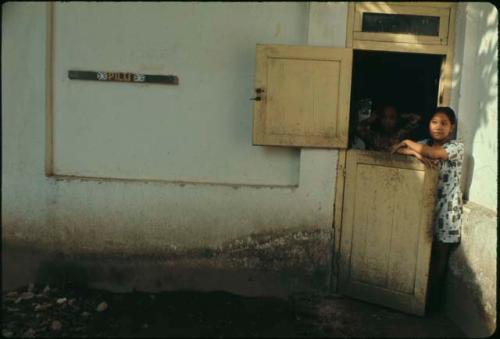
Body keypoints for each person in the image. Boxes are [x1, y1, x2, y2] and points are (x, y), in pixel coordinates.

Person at [390, 107, 464, 312]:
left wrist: (407, 142)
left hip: (447, 210)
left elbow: (432, 154)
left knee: (439, 257)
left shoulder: (456, 147)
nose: (438, 127)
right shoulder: (422, 144)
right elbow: (393, 150)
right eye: (434, 122)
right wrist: (414, 151)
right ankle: (415, 300)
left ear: (452, 127)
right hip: (424, 206)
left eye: (444, 123)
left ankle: (430, 305)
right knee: (421, 253)